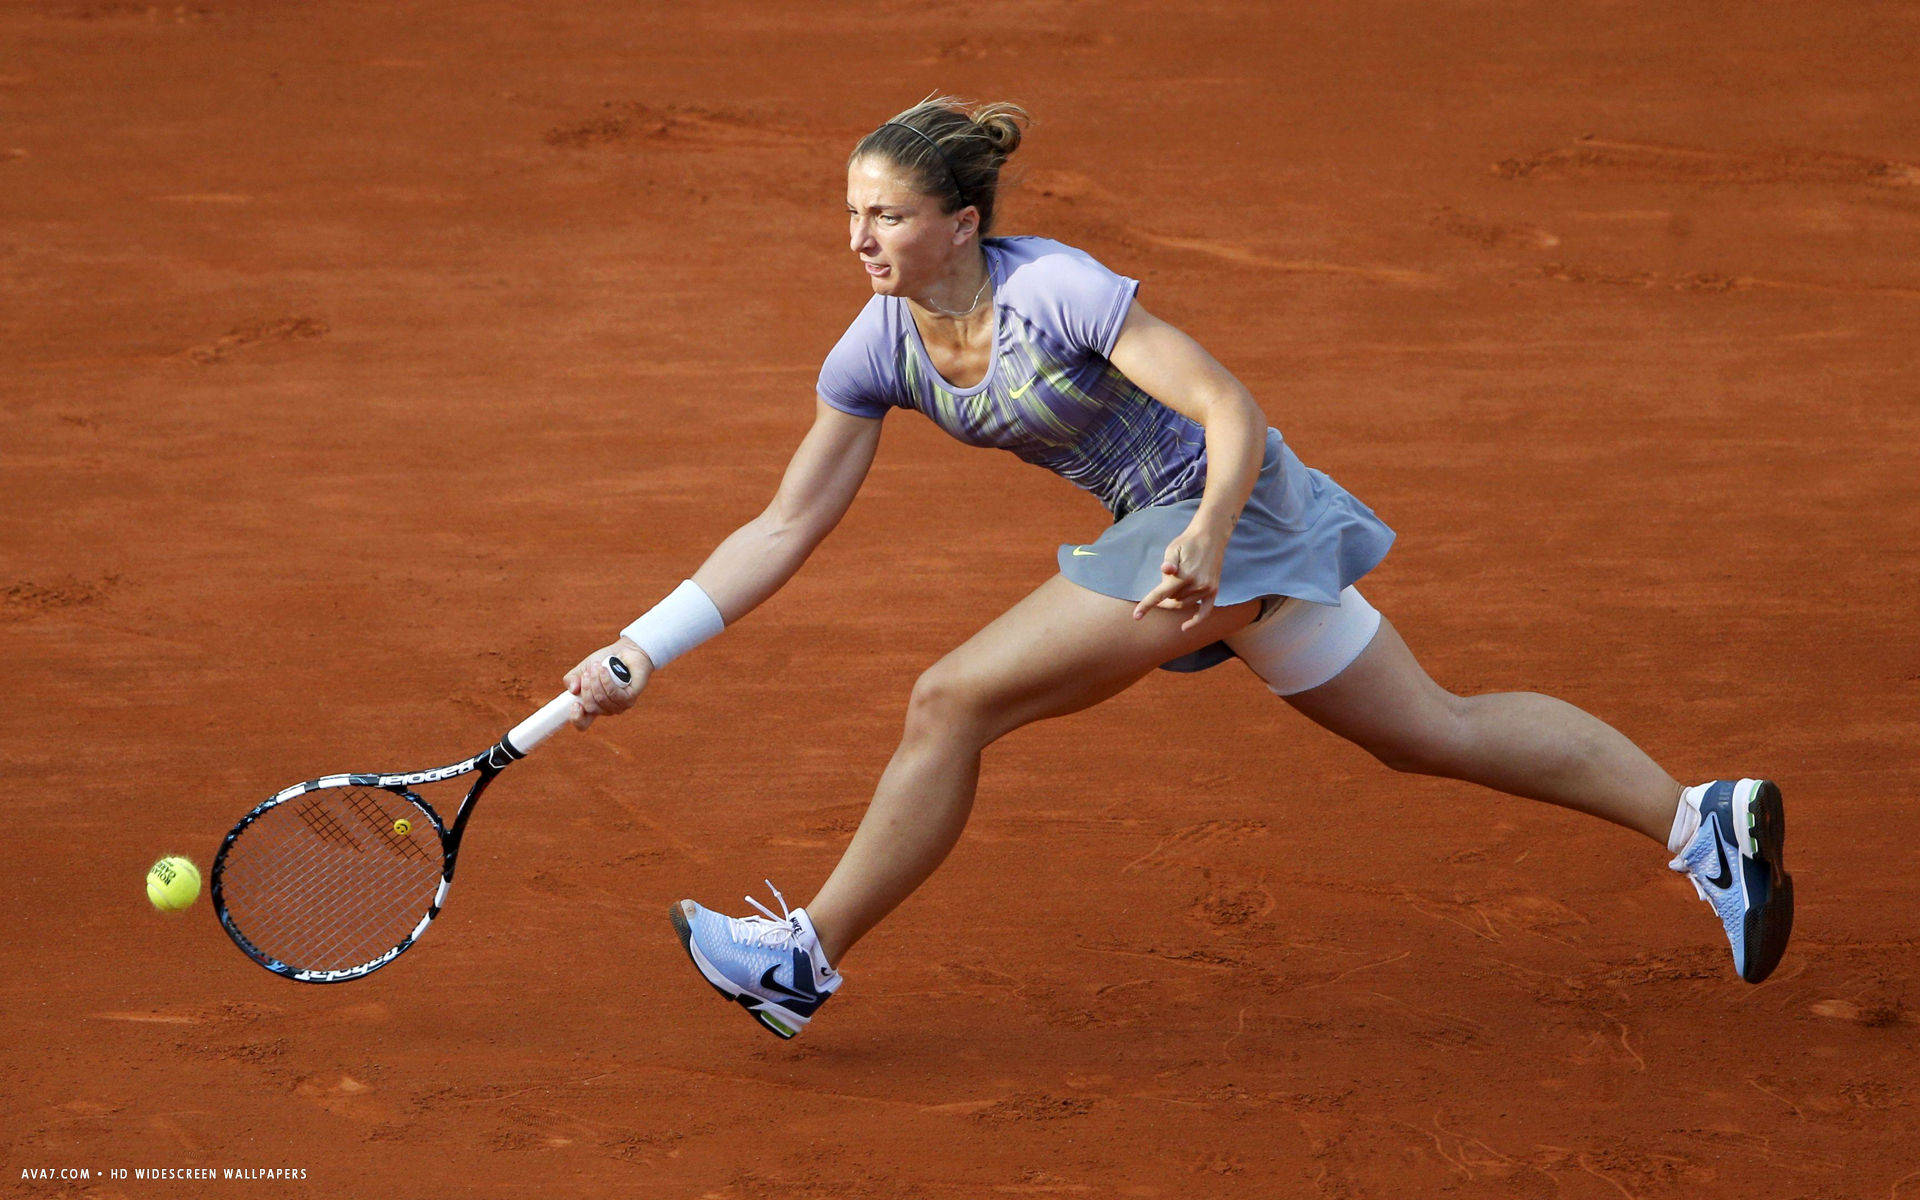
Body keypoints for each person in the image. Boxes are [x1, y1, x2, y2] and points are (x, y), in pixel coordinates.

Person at [561, 97, 1794, 1039]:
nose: (859, 238)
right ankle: (1701, 824)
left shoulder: (1058, 291)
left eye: (884, 215)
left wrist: (1205, 535)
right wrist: (641, 645)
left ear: (961, 223)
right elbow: (785, 523)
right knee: (1430, 731)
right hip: (1187, 538)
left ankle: (803, 958)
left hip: (1223, 510)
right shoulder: (879, 344)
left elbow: (1227, 405)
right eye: (850, 214)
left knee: (951, 698)